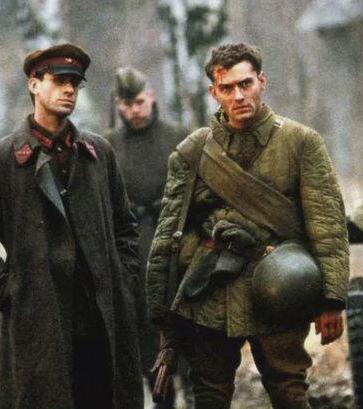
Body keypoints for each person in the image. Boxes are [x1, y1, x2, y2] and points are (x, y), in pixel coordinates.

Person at [146, 43, 350, 409]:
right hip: (211, 288)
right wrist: (161, 312)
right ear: (214, 92)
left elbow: (327, 225)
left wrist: (332, 300)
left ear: (262, 82)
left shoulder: (300, 143)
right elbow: (169, 233)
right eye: (227, 88)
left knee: (288, 388)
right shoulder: (192, 152)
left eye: (246, 84)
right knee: (208, 392)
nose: (238, 96)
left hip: (281, 283)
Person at [0, 43, 143, 409]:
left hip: (101, 323)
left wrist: (121, 281)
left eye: (75, 83)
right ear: (34, 84)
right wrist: (13, 292)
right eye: (59, 80)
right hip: (40, 327)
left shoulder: (98, 154)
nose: (69, 89)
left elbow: (125, 227)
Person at [104, 66, 191, 409]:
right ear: (118, 105)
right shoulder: (109, 146)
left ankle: (195, 393)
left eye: (139, 102)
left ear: (152, 97)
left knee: (188, 323)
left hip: (178, 242)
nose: (135, 111)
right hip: (133, 248)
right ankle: (161, 398)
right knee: (144, 328)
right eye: (127, 105)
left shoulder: (179, 137)